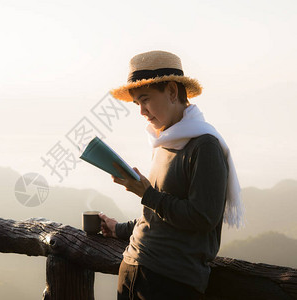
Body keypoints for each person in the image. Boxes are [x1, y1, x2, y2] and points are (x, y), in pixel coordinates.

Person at [98, 50, 244, 300]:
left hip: (171, 282)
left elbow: (203, 217)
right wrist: (118, 228)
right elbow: (156, 216)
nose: (142, 111)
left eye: (145, 100)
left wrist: (147, 194)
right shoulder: (165, 141)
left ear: (172, 92)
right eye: (137, 104)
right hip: (133, 269)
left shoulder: (204, 146)